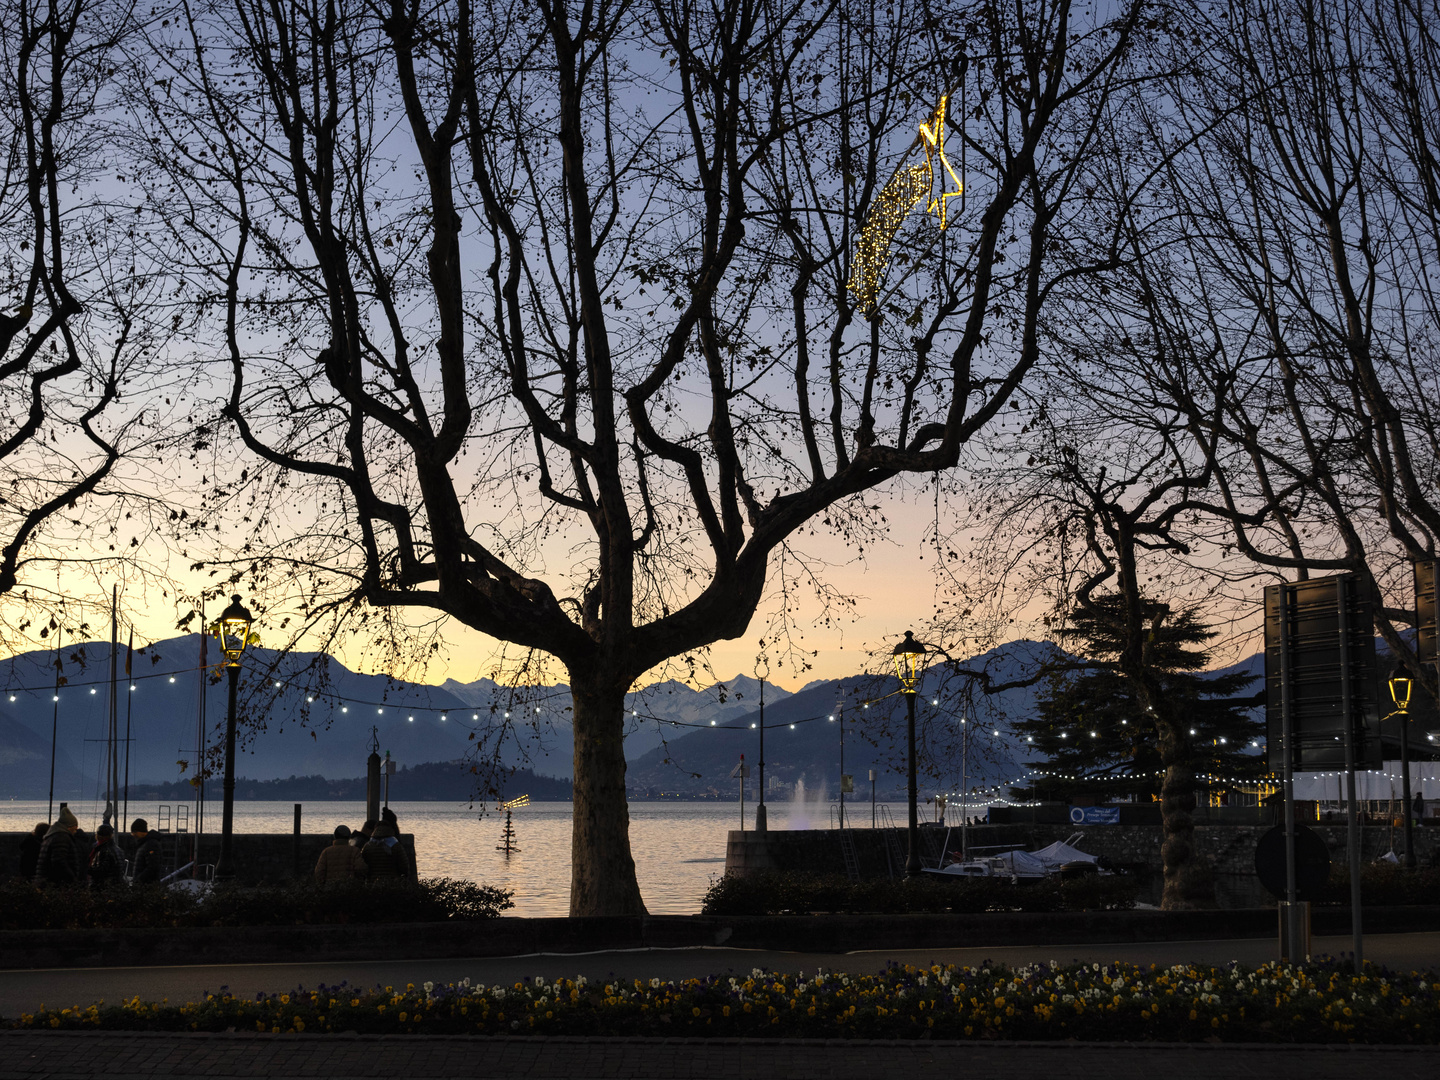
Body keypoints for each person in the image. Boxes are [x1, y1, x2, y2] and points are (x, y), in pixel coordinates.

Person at [34, 806, 82, 886]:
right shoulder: (62, 838)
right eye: (75, 827)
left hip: (45, 881)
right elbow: (59, 861)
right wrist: (72, 878)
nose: (76, 831)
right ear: (69, 826)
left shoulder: (50, 836)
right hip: (55, 883)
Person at [361, 814, 413, 881]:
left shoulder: (368, 846)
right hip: (392, 882)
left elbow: (364, 866)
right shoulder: (396, 845)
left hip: (373, 883)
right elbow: (404, 866)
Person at [88, 824, 126, 889]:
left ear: (99, 836)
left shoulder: (103, 850)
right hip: (117, 885)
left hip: (104, 886)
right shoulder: (119, 849)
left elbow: (101, 871)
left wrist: (87, 869)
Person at [130, 818, 163, 885]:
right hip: (144, 886)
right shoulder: (144, 844)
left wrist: (138, 880)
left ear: (140, 832)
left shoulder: (151, 845)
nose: (134, 836)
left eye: (134, 833)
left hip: (147, 886)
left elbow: (153, 867)